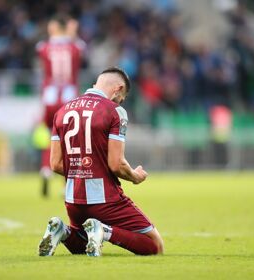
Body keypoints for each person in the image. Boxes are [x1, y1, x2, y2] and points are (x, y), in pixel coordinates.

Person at [38, 67, 164, 256]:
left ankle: (61, 230)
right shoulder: (115, 111)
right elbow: (116, 164)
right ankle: (104, 230)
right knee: (154, 246)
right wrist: (135, 176)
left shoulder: (62, 111)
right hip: (105, 199)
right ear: (118, 88)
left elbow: (55, 164)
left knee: (82, 243)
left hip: (74, 200)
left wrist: (82, 170)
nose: (119, 102)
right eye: (121, 98)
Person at [36, 14, 86, 196]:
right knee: (70, 139)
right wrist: (72, 33)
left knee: (50, 136)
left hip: (49, 97)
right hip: (69, 98)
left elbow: (41, 50)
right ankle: (67, 183)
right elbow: (81, 48)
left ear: (53, 28)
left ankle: (46, 168)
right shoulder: (74, 46)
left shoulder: (44, 46)